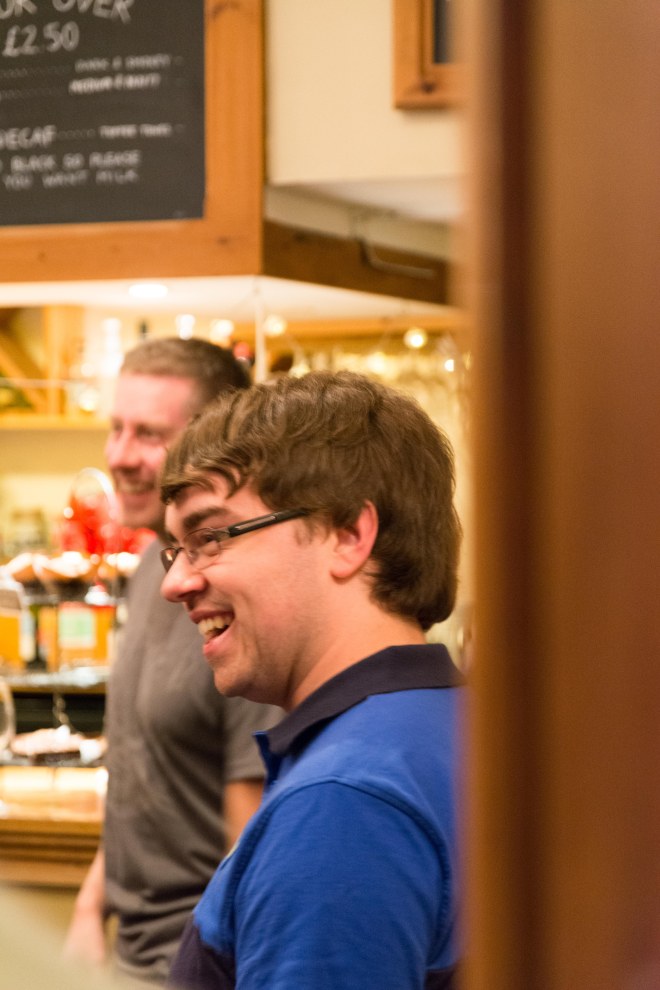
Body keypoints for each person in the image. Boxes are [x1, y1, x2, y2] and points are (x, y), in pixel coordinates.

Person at [158, 370, 465, 990]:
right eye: (176, 550)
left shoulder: (344, 804)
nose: (175, 583)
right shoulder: (450, 725)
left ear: (348, 535)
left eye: (210, 537)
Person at [64, 338, 281, 986]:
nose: (119, 455)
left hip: (194, 964)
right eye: (116, 428)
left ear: (212, 443)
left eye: (148, 434)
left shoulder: (235, 601)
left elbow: (250, 841)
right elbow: (142, 775)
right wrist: (90, 906)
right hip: (129, 957)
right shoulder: (150, 570)